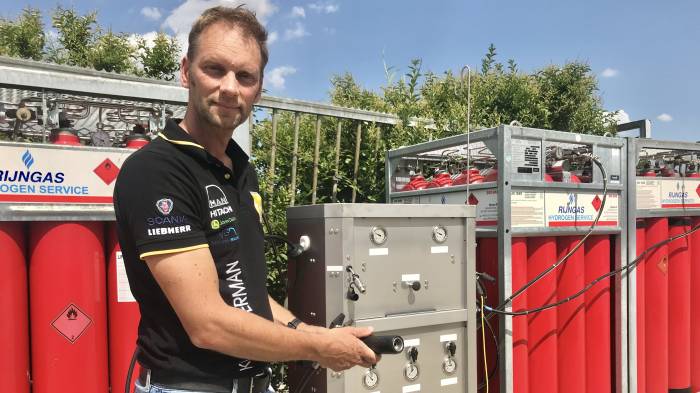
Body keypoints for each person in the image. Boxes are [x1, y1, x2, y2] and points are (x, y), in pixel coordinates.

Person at [113, 6, 378, 393]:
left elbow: (242, 293)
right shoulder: (157, 171)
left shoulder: (240, 170)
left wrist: (304, 330)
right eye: (215, 69)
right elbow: (207, 325)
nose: (230, 88)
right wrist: (318, 348)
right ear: (186, 71)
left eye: (245, 76)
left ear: (259, 88)